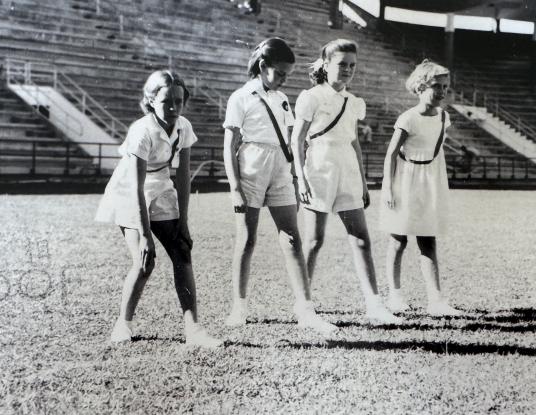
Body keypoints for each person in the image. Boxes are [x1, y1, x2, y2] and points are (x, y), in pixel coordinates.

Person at [95, 70, 223, 347]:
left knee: (182, 250)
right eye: (167, 101)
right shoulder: (142, 130)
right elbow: (137, 186)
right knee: (145, 261)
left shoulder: (184, 126)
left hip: (161, 186)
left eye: (179, 101)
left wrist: (183, 222)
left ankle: (194, 330)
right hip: (129, 191)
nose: (174, 107)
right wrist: (144, 235)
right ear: (151, 100)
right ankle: (122, 325)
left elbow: (183, 177)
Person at [223, 37, 336, 334]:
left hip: (281, 168)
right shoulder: (241, 97)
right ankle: (239, 306)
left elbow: (290, 139)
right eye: (280, 72)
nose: (285, 78)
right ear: (263, 66)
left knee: (292, 237)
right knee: (247, 239)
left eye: (287, 74)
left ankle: (305, 308)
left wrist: (297, 177)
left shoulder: (283, 98)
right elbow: (229, 145)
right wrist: (235, 186)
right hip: (251, 166)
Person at [291, 39, 401, 325]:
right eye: (341, 64)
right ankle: (304, 306)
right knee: (315, 240)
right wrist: (300, 177)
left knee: (360, 238)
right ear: (326, 65)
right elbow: (297, 139)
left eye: (352, 65)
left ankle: (374, 305)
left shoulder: (354, 102)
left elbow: (354, 143)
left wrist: (363, 183)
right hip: (319, 166)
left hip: (348, 169)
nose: (347, 70)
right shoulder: (311, 97)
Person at [379, 59, 462, 316]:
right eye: (436, 86)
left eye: (445, 87)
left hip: (429, 182)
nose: (442, 92)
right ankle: (394, 295)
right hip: (404, 181)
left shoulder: (444, 118)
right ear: (419, 87)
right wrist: (389, 190)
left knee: (428, 240)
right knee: (398, 239)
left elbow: (434, 152)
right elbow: (391, 154)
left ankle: (436, 300)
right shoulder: (408, 118)